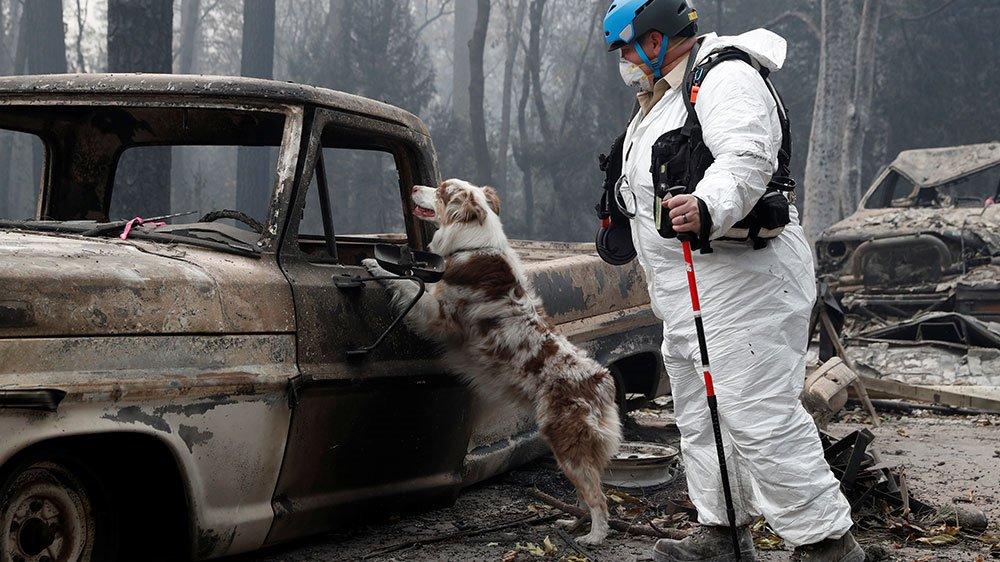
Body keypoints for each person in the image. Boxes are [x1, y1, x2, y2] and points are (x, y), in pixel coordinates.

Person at [601, 1, 864, 561]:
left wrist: (706, 204)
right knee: (701, 412)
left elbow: (746, 157)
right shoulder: (658, 100)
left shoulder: (724, 76)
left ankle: (827, 543)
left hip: (745, 281)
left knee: (756, 411)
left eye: (626, 47)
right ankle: (722, 531)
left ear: (656, 39)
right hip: (688, 287)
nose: (622, 60)